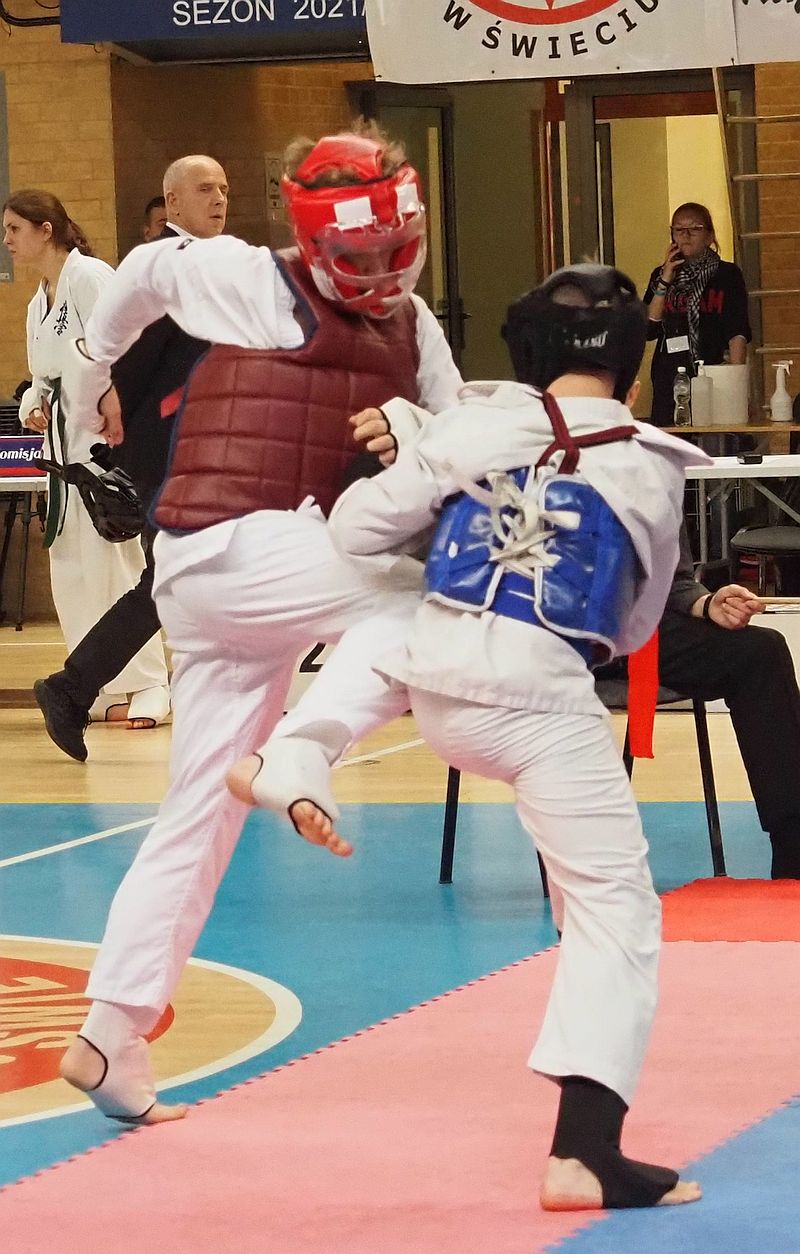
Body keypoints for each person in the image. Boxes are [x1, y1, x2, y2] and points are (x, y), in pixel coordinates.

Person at [228, 265, 708, 1210]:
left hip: (434, 684)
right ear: (631, 361)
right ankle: (584, 1152)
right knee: (612, 909)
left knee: (399, 595)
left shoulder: (472, 428)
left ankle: (305, 743)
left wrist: (448, 505)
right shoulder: (653, 465)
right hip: (543, 706)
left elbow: (356, 529)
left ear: (525, 349)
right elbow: (637, 625)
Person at [57, 126, 463, 1121]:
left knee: (199, 814)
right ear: (313, 236)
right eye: (359, 254)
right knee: (419, 602)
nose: (379, 272)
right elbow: (145, 268)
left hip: (222, 594)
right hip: (238, 547)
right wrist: (90, 378)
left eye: (392, 251)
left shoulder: (416, 330)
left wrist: (414, 431)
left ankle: (109, 1040)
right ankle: (305, 748)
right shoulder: (247, 276)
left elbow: (458, 445)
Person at [33, 156, 230, 750]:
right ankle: (77, 687)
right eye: (204, 189)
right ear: (172, 203)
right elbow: (119, 359)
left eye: (224, 188)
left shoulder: (205, 263)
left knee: (180, 580)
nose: (219, 198)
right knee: (179, 578)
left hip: (198, 449)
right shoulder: (159, 267)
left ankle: (74, 687)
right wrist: (115, 440)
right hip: (169, 454)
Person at [2, 190, 168, 723]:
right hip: (61, 453)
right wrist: (32, 402)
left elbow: (127, 351)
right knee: (72, 571)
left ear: (45, 229)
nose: (7, 241)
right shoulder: (38, 301)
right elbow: (43, 375)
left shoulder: (91, 277)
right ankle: (99, 687)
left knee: (117, 564)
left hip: (102, 448)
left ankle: (149, 687)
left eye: (14, 229)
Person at [596, 529, 800, 879]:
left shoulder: (657, 492)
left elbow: (673, 580)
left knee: (761, 653)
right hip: (549, 634)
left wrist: (706, 604)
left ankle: (794, 848)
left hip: (639, 630)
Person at [644, 202, 751, 426]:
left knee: (714, 436)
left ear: (709, 236)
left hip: (712, 371)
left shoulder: (727, 275)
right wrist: (665, 279)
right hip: (670, 375)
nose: (686, 235)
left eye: (695, 228)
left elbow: (737, 330)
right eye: (679, 229)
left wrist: (736, 381)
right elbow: (649, 328)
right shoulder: (661, 274)